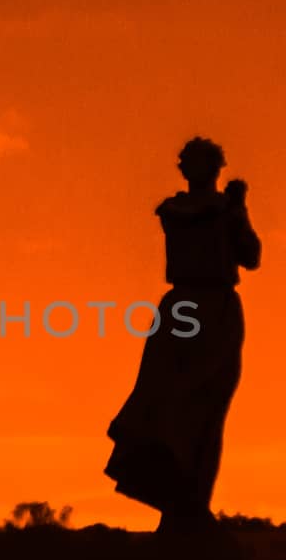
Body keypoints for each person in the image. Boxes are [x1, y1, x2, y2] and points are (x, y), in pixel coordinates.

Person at [103, 136, 261, 534]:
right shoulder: (215, 210)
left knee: (180, 408)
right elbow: (250, 255)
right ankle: (188, 501)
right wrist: (238, 208)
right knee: (197, 411)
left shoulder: (179, 210)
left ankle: (186, 503)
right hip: (206, 310)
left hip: (186, 310)